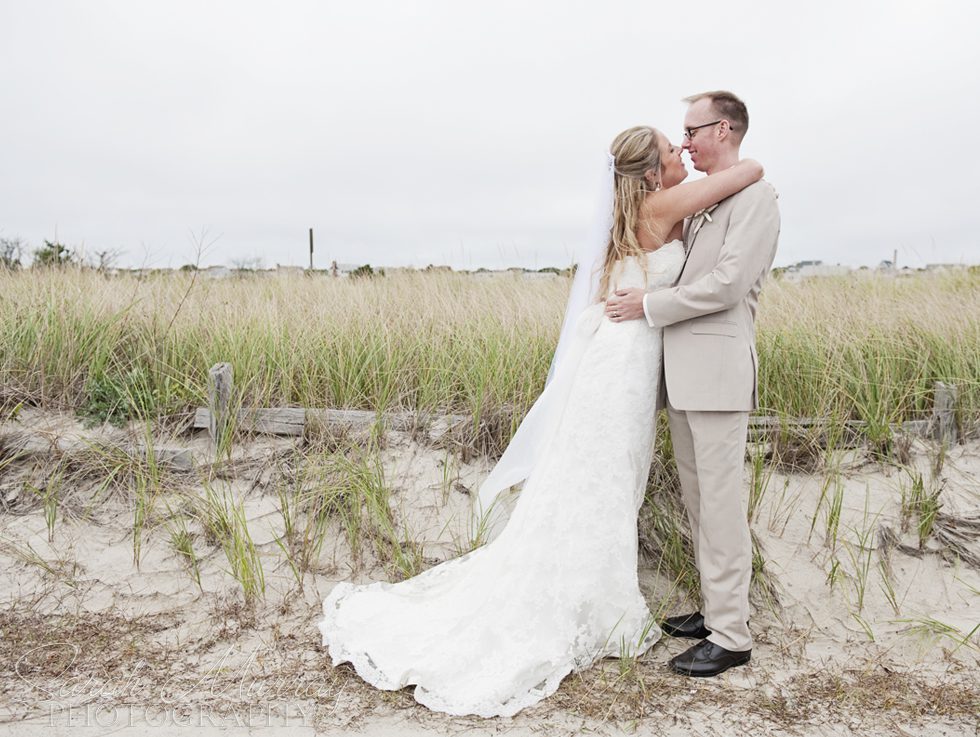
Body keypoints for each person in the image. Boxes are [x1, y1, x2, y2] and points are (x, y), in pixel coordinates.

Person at [317, 123, 764, 717]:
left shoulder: (648, 207)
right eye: (670, 146)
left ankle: (600, 595)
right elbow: (751, 171)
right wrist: (723, 152)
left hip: (627, 360)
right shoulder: (662, 203)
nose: (682, 148)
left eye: (686, 137)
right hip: (623, 365)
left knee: (605, 482)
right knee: (604, 482)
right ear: (651, 174)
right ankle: (593, 605)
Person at [605, 90, 781, 678]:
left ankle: (732, 634)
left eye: (692, 130)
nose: (684, 142)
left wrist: (651, 303)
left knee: (722, 508)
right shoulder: (704, 202)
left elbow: (729, 284)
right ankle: (713, 611)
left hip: (718, 377)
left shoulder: (755, 197)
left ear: (724, 129)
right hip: (682, 379)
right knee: (700, 504)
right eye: (679, 134)